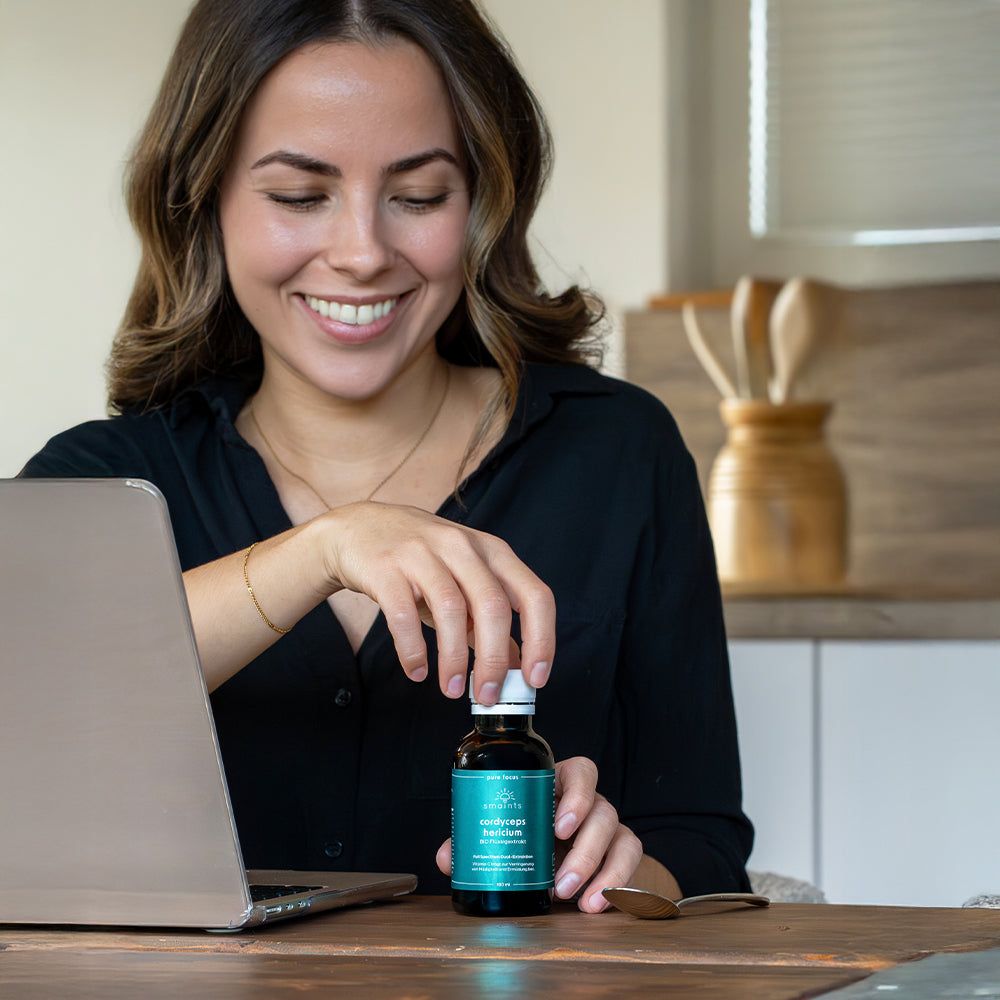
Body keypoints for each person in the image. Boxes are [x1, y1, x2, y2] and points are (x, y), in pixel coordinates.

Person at [18, 0, 753, 908]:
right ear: (202, 197)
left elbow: (704, 842)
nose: (362, 252)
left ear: (483, 201)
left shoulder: (618, 452)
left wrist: (614, 870)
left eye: (418, 195)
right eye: (298, 195)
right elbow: (31, 706)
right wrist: (321, 552)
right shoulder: (102, 483)